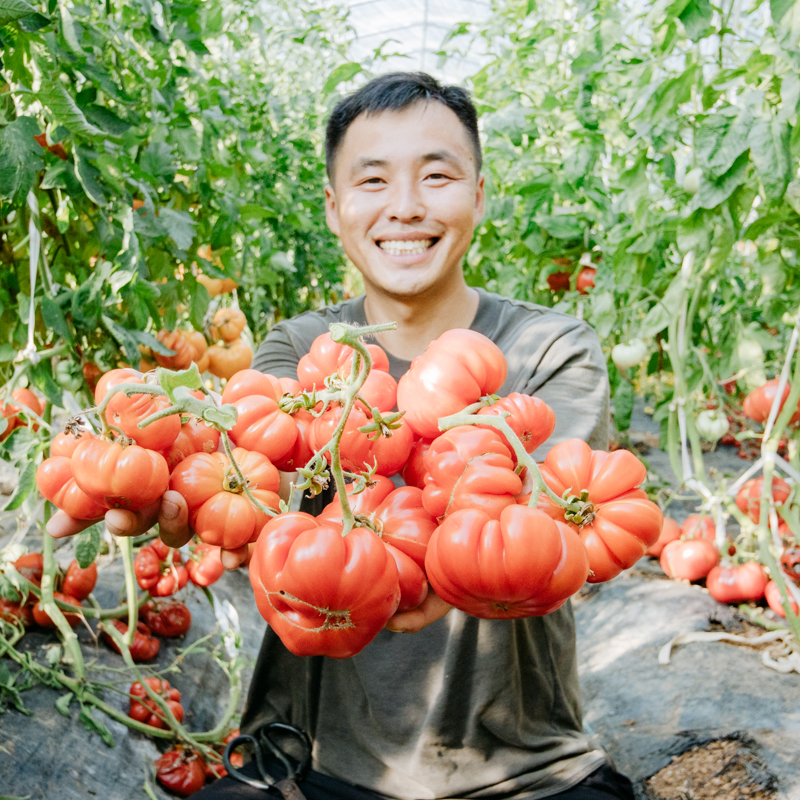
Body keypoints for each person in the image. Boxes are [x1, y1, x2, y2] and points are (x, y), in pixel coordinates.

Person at [49, 72, 633, 800]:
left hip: (526, 773)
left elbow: (550, 517)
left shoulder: (551, 347)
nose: (406, 207)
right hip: (311, 764)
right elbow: (265, 484)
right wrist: (174, 479)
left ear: (478, 194)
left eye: (437, 175)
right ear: (334, 207)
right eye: (373, 180)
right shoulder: (298, 348)